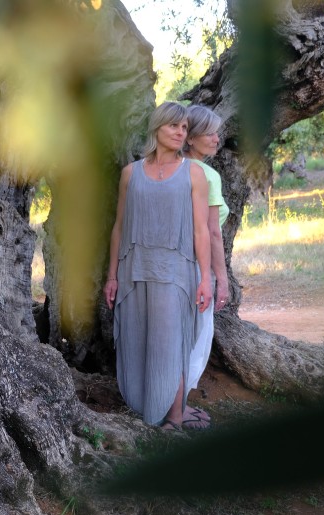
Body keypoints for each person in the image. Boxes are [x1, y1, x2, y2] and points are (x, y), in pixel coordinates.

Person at [103, 101, 212, 431]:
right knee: (138, 340)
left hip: (176, 273)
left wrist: (205, 278)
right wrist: (111, 275)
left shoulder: (194, 173)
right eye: (174, 126)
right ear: (157, 129)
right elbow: (120, 226)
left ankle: (174, 421)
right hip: (135, 270)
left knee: (170, 344)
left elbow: (200, 230)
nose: (181, 132)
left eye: (184, 128)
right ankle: (151, 409)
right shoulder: (130, 173)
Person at [181, 104, 229, 429]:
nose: (216, 138)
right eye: (209, 133)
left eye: (217, 131)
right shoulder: (206, 175)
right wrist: (220, 279)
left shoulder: (168, 168)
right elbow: (212, 232)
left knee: (172, 336)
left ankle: (169, 405)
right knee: (194, 336)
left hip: (170, 264)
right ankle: (177, 408)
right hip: (197, 269)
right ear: (192, 137)